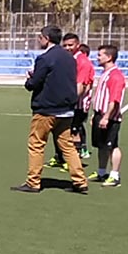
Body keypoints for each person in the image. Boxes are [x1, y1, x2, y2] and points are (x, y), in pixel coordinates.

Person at [13, 25, 88, 194]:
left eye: (40, 37)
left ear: (46, 38)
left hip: (46, 109)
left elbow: (34, 84)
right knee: (67, 146)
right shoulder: (70, 58)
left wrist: (29, 79)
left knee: (36, 144)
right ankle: (80, 181)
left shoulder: (45, 58)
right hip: (67, 109)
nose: (39, 40)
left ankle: (33, 182)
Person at [51, 34, 94, 166]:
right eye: (65, 45)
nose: (68, 48)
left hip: (77, 104)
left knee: (74, 130)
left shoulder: (82, 61)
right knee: (60, 129)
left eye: (71, 45)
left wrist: (70, 101)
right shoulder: (68, 59)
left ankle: (75, 162)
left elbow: (81, 85)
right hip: (66, 101)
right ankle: (61, 157)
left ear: (78, 45)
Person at [88, 45, 126, 187]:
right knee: (101, 145)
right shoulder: (105, 73)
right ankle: (101, 172)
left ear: (109, 57)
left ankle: (115, 175)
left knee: (112, 145)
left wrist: (106, 117)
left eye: (100, 55)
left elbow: (114, 99)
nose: (97, 57)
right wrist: (96, 114)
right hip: (100, 115)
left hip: (110, 117)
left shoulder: (115, 75)